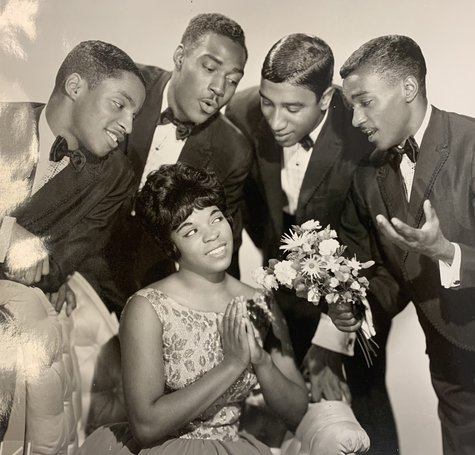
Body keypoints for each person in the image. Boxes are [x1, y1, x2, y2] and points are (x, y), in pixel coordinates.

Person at [226, 33, 398, 454]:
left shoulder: (361, 133)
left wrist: (334, 342)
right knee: (287, 418)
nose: (275, 120)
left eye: (292, 108)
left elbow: (376, 256)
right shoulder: (245, 111)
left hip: (353, 297)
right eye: (269, 102)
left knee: (363, 406)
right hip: (282, 290)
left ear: (325, 99)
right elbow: (246, 208)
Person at [331, 35, 475, 455]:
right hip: (445, 356)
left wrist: (446, 252)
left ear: (408, 88)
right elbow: (393, 272)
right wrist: (358, 307)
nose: (355, 120)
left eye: (365, 102)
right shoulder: (368, 176)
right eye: (352, 106)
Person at [79, 162, 309, 454]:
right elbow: (146, 426)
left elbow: (297, 411)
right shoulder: (147, 308)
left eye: (215, 218)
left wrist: (261, 361)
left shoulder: (261, 302)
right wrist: (232, 365)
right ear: (170, 246)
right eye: (190, 231)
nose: (212, 235)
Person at [105, 13, 251, 311]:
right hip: (76, 266)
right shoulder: (124, 86)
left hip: (151, 289)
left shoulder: (233, 151)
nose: (219, 88)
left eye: (232, 80)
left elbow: (221, 248)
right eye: (210, 68)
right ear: (180, 56)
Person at [0, 40, 146, 313]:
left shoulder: (116, 176)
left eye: (134, 116)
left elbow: (57, 269)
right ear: (75, 87)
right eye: (118, 105)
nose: (128, 126)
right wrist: (6, 233)